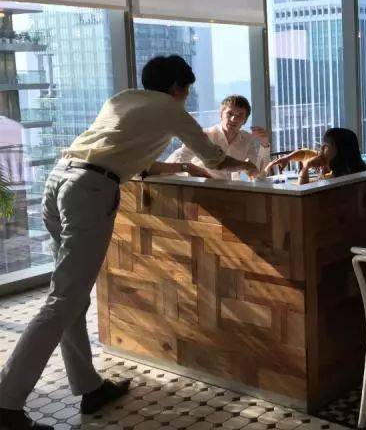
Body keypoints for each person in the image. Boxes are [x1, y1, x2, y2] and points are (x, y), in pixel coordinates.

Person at [0, 56, 257, 430]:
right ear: (177, 88)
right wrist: (247, 166)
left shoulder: (122, 100)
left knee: (71, 297)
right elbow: (215, 158)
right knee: (63, 300)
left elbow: (137, 161)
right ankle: (6, 402)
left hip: (59, 181)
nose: (186, 97)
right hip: (89, 191)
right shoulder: (170, 109)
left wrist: (184, 167)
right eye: (186, 90)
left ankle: (89, 387)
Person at [165, 95, 270, 180]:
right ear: (221, 114)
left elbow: (260, 174)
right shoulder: (204, 135)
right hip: (201, 189)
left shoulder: (247, 139)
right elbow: (175, 161)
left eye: (239, 115)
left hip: (230, 191)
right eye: (230, 113)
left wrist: (265, 144)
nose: (233, 119)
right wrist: (189, 170)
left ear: (245, 120)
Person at [271, 127, 366, 185]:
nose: (321, 150)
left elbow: (302, 194)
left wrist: (306, 168)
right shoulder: (361, 170)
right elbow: (306, 153)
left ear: (339, 150)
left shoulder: (335, 180)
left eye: (325, 146)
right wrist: (287, 158)